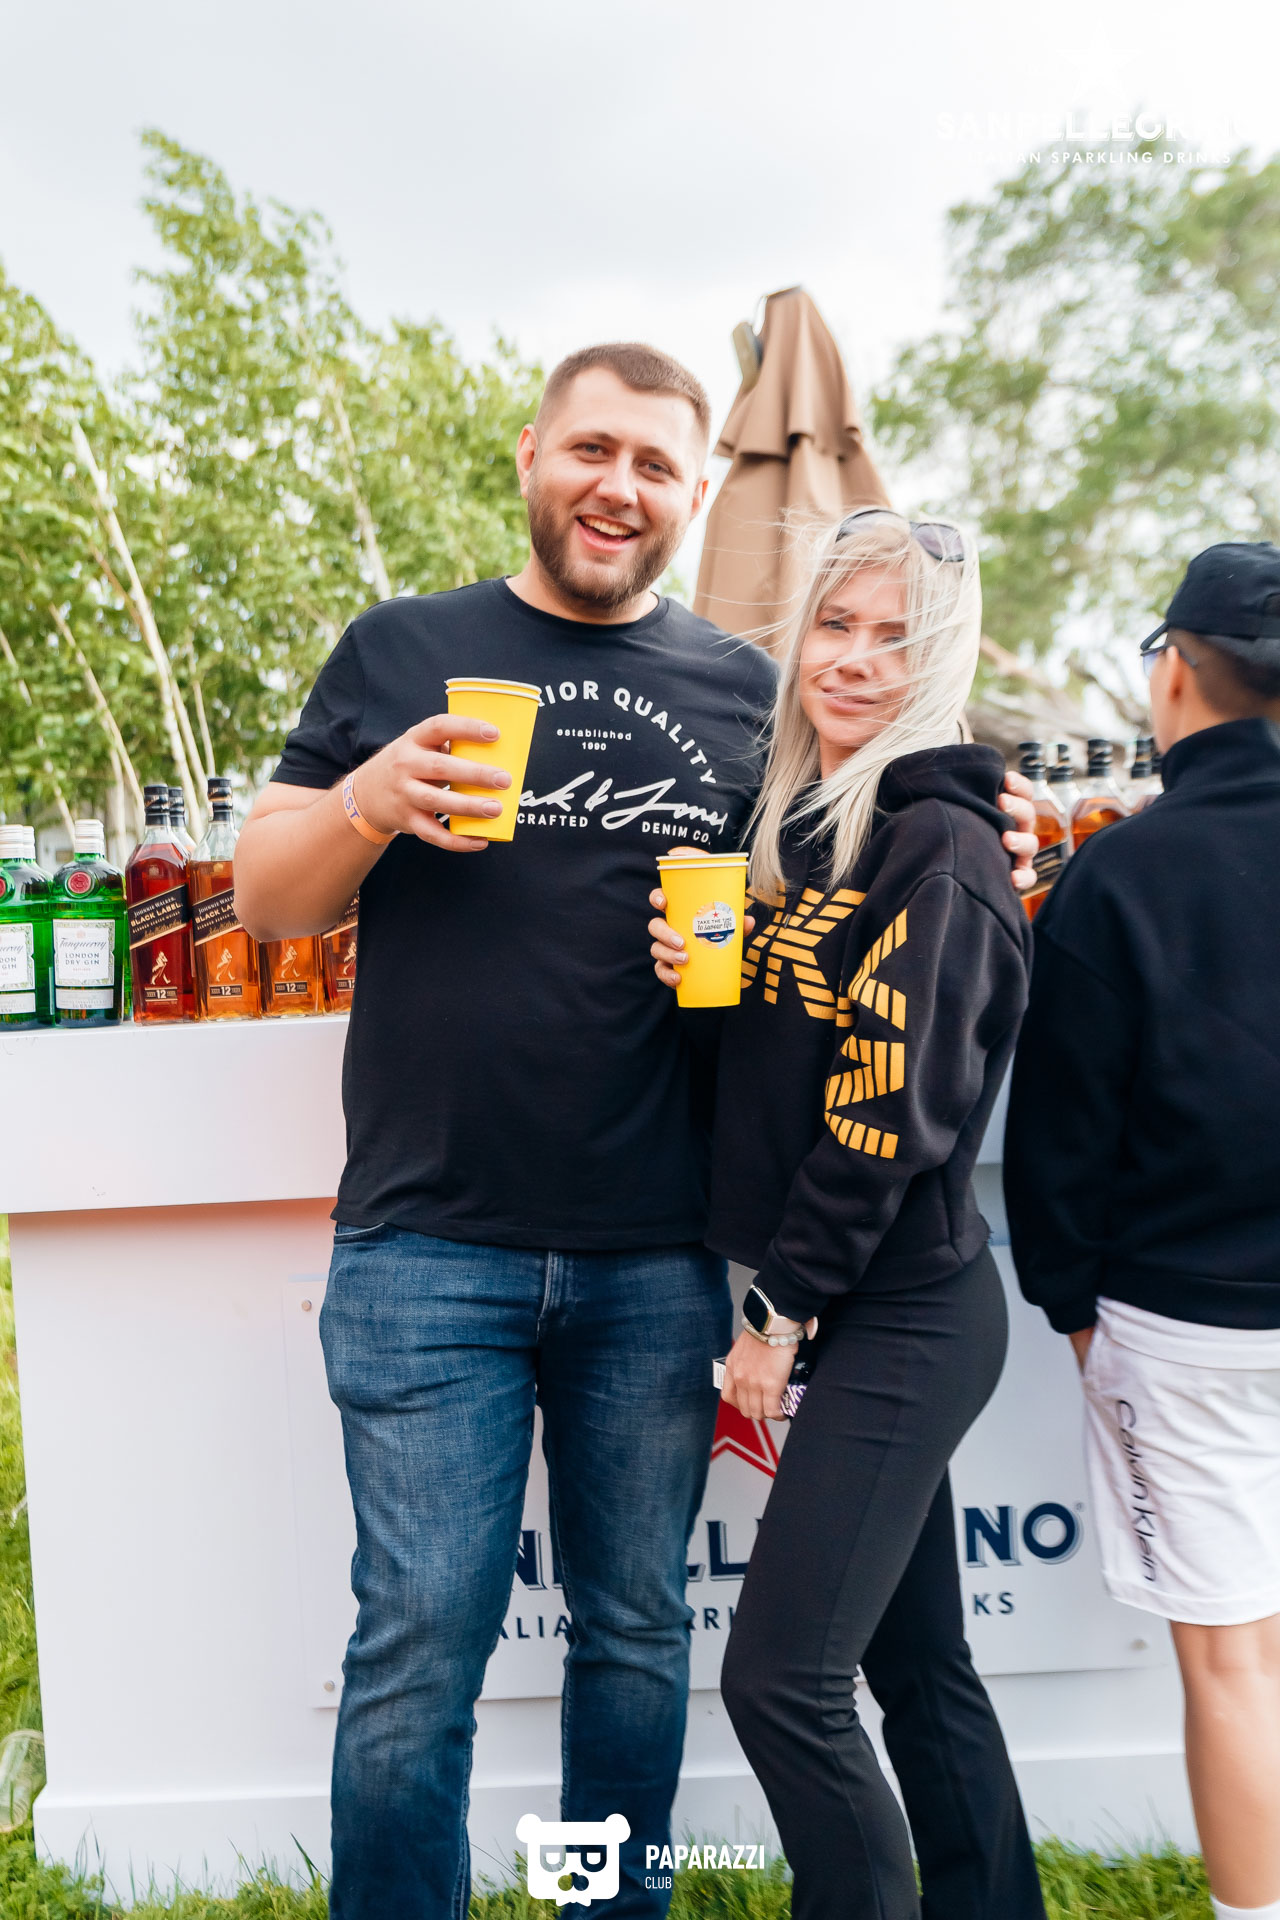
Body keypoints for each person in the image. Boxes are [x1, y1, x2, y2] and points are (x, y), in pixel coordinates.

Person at [234, 343, 1040, 1920]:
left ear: (693, 491)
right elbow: (267, 904)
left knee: (633, 1636)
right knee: (415, 1646)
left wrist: (988, 811)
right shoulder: (403, 649)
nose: (620, 487)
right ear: (531, 454)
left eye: (658, 464)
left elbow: (878, 868)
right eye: (592, 449)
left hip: (661, 1254)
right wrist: (369, 800)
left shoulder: (746, 691)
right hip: (426, 1241)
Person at [650, 511, 1047, 1919]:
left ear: (942, 663)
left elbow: (887, 1117)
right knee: (915, 1665)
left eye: (898, 638)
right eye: (837, 624)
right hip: (857, 1302)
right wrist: (704, 987)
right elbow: (784, 1078)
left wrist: (779, 1313)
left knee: (782, 1681)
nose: (858, 661)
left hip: (905, 1308)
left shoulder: (940, 842)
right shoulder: (804, 828)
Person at [1004, 543, 1280, 1920]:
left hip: (1187, 1328)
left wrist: (1072, 1309)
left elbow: (1062, 1135)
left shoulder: (1119, 875)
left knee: (1234, 1664)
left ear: (1174, 672)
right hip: (1194, 1329)